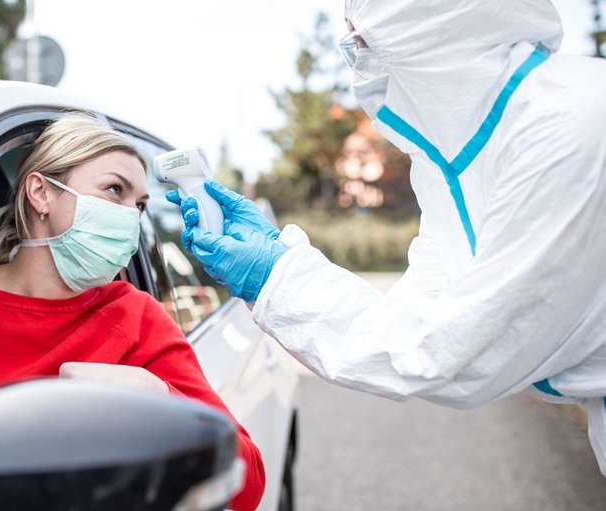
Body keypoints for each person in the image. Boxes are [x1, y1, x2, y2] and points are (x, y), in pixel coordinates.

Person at [167, 0, 606, 475]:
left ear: (431, 28)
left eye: (365, 40)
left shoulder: (569, 126)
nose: (358, 61)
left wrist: (273, 278)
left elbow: (454, 350)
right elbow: (423, 306)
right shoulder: (455, 164)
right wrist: (280, 256)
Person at [0, 113, 265, 511]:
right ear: (41, 192)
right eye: (114, 190)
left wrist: (159, 399)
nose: (129, 218)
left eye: (139, 205)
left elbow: (250, 481)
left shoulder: (135, 315)